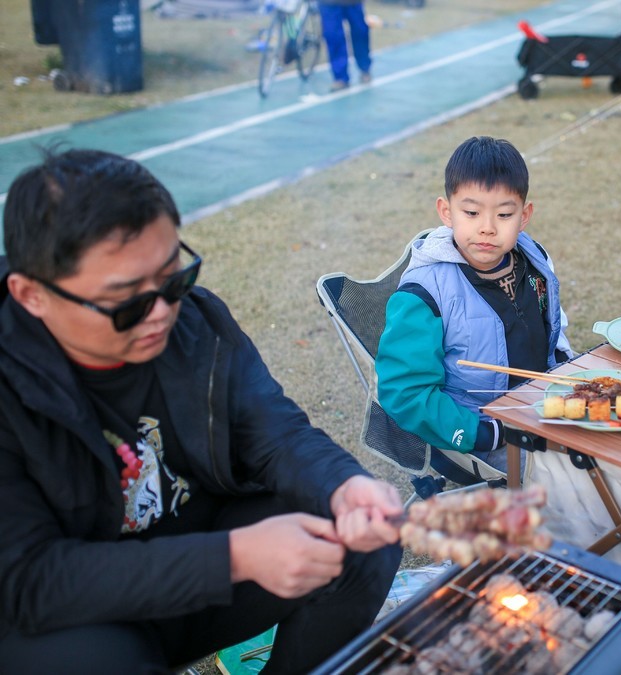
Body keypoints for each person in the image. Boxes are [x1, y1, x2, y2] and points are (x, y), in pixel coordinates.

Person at [0, 148, 403, 674]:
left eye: (173, 279)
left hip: (199, 571)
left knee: (358, 542)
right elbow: (30, 581)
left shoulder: (195, 323)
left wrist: (344, 487)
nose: (162, 312)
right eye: (126, 301)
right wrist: (234, 556)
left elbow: (275, 434)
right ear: (32, 295)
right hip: (76, 613)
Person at [375, 136, 573, 478]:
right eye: (471, 212)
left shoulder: (535, 260)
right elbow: (404, 392)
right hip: (479, 435)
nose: (487, 227)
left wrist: (568, 372)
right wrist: (482, 433)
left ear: (524, 216)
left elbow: (553, 331)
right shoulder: (423, 293)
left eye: (504, 214)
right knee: (574, 480)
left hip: (543, 409)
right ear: (446, 212)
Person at [319, 0, 372, 91]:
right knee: (333, 36)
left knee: (360, 32)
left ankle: (364, 67)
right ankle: (340, 77)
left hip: (353, 2)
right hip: (328, 3)